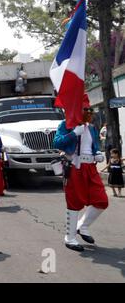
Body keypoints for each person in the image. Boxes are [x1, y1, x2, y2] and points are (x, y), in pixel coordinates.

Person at [53, 95, 108, 252]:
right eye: (85, 109)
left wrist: (97, 153)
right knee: (74, 202)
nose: (89, 112)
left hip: (90, 168)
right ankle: (69, 238)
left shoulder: (90, 127)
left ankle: (82, 226)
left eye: (90, 109)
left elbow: (94, 145)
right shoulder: (66, 125)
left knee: (102, 200)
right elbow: (57, 142)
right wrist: (73, 133)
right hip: (75, 167)